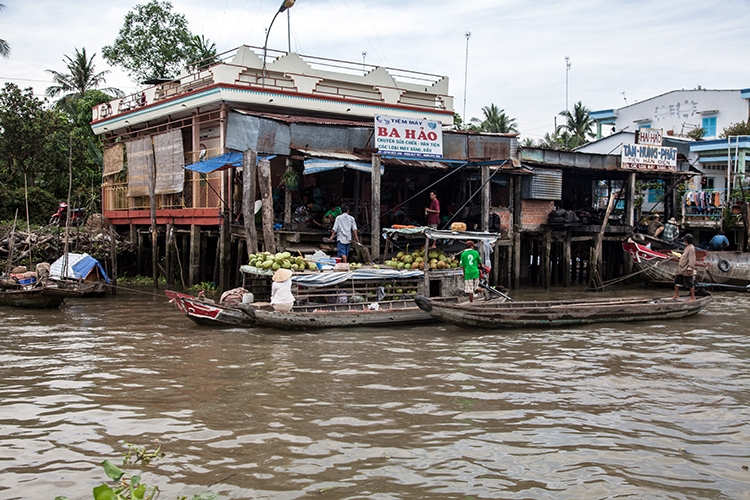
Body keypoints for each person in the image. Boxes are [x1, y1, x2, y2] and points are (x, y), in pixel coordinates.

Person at [672, 233, 696, 301]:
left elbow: (692, 259)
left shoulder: (691, 248)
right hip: (681, 268)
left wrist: (690, 268)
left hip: (686, 269)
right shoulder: (687, 247)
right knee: (677, 281)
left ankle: (693, 296)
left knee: (690, 283)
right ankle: (676, 294)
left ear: (686, 240)